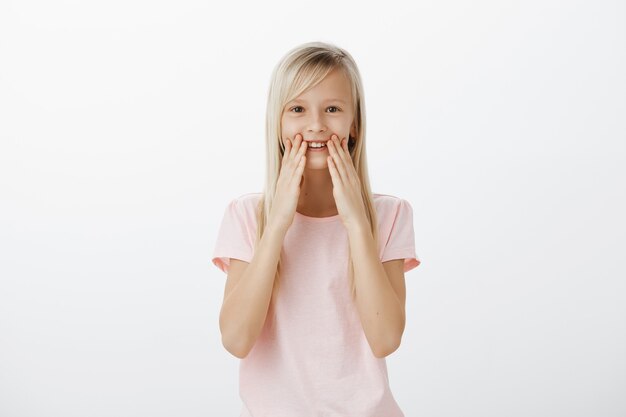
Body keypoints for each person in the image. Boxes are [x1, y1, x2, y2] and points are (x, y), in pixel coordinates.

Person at [211, 41, 421, 417]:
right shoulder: (246, 214)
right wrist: (276, 224)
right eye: (297, 109)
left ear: (354, 123)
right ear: (277, 122)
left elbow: (386, 338)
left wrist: (356, 223)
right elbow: (237, 339)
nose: (316, 125)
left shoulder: (390, 214)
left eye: (333, 109)